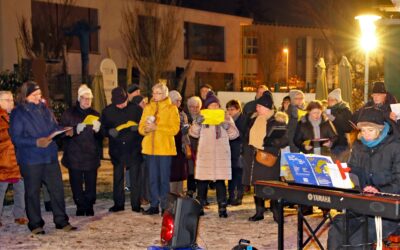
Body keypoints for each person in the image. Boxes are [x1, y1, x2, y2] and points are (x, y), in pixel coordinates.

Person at [327, 107, 400, 249]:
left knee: (357, 239)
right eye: (363, 130)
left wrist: (378, 190)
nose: (366, 134)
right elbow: (352, 172)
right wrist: (339, 174)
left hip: (388, 209)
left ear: (380, 129)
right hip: (361, 206)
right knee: (337, 228)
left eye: (370, 130)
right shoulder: (359, 146)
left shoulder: (395, 147)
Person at [10, 81, 76, 234]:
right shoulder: (18, 112)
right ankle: (35, 224)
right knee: (32, 192)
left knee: (57, 190)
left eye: (39, 95)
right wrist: (36, 142)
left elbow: (53, 128)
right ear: (25, 96)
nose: (38, 98)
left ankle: (61, 220)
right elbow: (16, 138)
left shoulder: (45, 109)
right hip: (31, 159)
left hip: (50, 157)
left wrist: (64, 131)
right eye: (34, 95)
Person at [189, 91, 239, 217]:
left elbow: (235, 135)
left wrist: (227, 126)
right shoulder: (202, 116)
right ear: (207, 106)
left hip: (220, 154)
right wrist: (197, 123)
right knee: (202, 182)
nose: (214, 107)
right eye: (211, 105)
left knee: (220, 182)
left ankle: (222, 208)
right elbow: (193, 134)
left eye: (216, 105)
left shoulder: (225, 116)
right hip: (205, 154)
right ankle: (199, 206)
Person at [60, 85, 102, 216]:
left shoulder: (95, 114)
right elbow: (61, 133)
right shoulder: (69, 113)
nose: (87, 101)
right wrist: (75, 129)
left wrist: (98, 131)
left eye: (89, 98)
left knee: (91, 183)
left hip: (91, 155)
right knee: (76, 183)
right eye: (84, 98)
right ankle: (80, 205)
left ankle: (89, 205)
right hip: (74, 155)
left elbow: (101, 138)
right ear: (79, 99)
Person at [247, 91, 288, 222]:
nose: (257, 108)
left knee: (272, 185)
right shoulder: (254, 119)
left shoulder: (277, 120)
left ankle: (276, 214)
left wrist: (270, 142)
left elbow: (285, 140)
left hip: (270, 157)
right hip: (256, 156)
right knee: (257, 184)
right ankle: (259, 212)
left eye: (259, 106)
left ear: (266, 107)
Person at [139, 83, 180, 215]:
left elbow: (174, 129)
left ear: (165, 94)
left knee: (163, 179)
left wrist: (157, 128)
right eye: (154, 93)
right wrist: (146, 129)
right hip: (150, 149)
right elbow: (140, 128)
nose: (155, 95)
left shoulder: (171, 108)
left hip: (164, 150)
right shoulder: (148, 108)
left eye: (158, 93)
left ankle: (165, 206)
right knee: (152, 178)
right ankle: (154, 205)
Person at [101, 86, 143, 213]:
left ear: (127, 99)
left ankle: (136, 204)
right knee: (118, 177)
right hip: (117, 149)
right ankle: (118, 204)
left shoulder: (136, 109)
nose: (120, 106)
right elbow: (101, 129)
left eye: (122, 103)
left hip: (134, 148)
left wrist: (139, 129)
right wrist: (108, 132)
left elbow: (144, 126)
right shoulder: (107, 111)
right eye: (117, 104)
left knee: (135, 178)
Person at [0, 91, 27, 227]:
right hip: (3, 162)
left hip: (18, 160)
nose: (11, 102)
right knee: (1, 190)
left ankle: (19, 215)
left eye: (11, 100)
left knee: (20, 189)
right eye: (7, 100)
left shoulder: (17, 115)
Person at [242, 85, 269, 189]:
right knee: (247, 165)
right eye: (259, 92)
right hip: (249, 140)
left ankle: (259, 186)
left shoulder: (270, 107)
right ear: (256, 94)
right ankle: (246, 186)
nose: (261, 95)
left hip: (262, 143)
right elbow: (244, 123)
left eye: (264, 93)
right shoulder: (249, 106)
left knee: (260, 166)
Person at [226, 99, 246, 206]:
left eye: (232, 109)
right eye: (228, 109)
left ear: (238, 109)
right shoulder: (227, 120)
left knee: (238, 174)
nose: (230, 111)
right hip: (229, 150)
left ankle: (238, 196)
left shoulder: (242, 119)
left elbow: (243, 135)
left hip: (239, 150)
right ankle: (231, 196)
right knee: (230, 174)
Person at [168, 90, 189, 195]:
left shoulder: (182, 114)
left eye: (180, 100)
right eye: (176, 100)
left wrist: (186, 130)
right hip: (170, 147)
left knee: (181, 173)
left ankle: (180, 194)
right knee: (172, 173)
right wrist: (180, 131)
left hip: (181, 147)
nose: (179, 103)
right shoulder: (166, 113)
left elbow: (185, 132)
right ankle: (171, 195)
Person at [326, 88, 353, 162]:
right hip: (330, 143)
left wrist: (334, 119)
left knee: (339, 166)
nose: (329, 102)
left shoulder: (345, 110)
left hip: (341, 143)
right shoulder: (328, 110)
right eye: (328, 99)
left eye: (332, 100)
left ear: (338, 100)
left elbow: (348, 127)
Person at [185, 96, 202, 198]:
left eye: (197, 107)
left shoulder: (202, 117)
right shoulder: (186, 117)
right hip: (190, 146)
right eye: (192, 107)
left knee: (200, 170)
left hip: (200, 146)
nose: (195, 109)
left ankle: (200, 192)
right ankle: (191, 189)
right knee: (190, 169)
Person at [126, 84, 141, 191]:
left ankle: (133, 183)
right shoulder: (127, 105)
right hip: (129, 138)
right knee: (128, 163)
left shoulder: (138, 105)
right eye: (136, 92)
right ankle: (128, 184)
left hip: (137, 138)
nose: (138, 94)